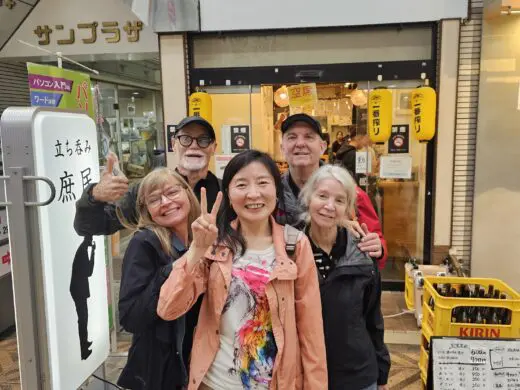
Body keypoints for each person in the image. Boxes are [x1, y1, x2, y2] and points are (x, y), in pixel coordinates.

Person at [157, 150, 327, 390]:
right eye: (241, 184)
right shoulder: (215, 245)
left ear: (276, 191)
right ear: (228, 193)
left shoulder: (295, 245)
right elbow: (168, 308)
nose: (253, 193)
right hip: (214, 383)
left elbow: (311, 332)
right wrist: (196, 249)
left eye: (262, 183)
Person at [299, 164, 390, 390]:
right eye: (322, 196)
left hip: (356, 374)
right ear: (308, 198)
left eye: (340, 200)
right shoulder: (290, 250)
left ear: (349, 208)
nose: (329, 206)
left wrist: (382, 374)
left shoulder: (362, 254)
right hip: (305, 373)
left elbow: (374, 320)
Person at [117, 168, 201, 389]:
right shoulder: (145, 243)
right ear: (147, 211)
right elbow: (131, 317)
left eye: (172, 192)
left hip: (196, 363)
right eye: (154, 199)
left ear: (187, 193)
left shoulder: (201, 239)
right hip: (159, 371)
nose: (165, 202)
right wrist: (173, 270)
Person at [74, 115, 220, 236]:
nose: (194, 145)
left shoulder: (226, 191)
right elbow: (87, 227)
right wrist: (94, 195)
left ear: (213, 147)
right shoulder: (147, 190)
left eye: (203, 140)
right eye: (186, 139)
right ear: (174, 144)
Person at [277, 113, 388, 268]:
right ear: (282, 147)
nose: (300, 143)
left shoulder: (351, 193)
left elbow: (377, 246)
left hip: (337, 284)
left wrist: (378, 248)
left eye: (309, 137)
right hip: (285, 285)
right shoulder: (271, 195)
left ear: (322, 146)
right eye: (292, 137)